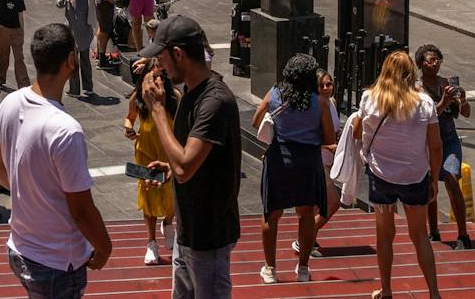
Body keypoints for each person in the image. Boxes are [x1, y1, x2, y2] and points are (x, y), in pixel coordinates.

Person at [0, 22, 112, 299]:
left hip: (20, 247)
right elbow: (81, 210)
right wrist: (104, 248)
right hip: (56, 262)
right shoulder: (66, 130)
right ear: (70, 60)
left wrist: (25, 192)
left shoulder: (11, 102)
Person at [138, 15, 241, 299]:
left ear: (179, 54)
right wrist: (170, 168)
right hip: (187, 230)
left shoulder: (214, 102)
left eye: (162, 58)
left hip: (209, 234)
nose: (159, 67)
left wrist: (158, 110)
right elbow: (189, 161)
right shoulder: (190, 94)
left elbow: (185, 167)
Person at [352, 48, 443, 299]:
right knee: (419, 235)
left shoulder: (369, 98)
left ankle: (387, 289)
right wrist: (434, 178)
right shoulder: (424, 102)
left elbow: (357, 132)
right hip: (414, 176)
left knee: (384, 235)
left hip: (381, 177)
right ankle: (434, 293)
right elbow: (435, 145)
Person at [251, 54, 335, 283]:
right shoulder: (320, 102)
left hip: (280, 157)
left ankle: (270, 268)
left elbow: (256, 121)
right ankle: (303, 268)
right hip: (308, 161)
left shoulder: (275, 93)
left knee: (272, 212)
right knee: (307, 213)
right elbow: (328, 137)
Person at [417, 44, 473, 249]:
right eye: (430, 60)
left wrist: (463, 100)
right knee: (430, 184)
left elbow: (465, 113)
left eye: (437, 59)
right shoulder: (417, 89)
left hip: (448, 139)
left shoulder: (446, 84)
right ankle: (433, 230)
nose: (434, 63)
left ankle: (463, 234)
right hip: (427, 142)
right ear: (421, 64)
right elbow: (427, 117)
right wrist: (443, 101)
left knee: (451, 178)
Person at [124, 56, 176, 266]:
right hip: (146, 152)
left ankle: (169, 224)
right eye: (152, 77)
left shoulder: (175, 97)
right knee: (148, 196)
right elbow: (129, 117)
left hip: (169, 153)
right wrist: (128, 128)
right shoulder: (138, 97)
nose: (156, 81)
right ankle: (151, 242)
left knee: (171, 194)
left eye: (160, 76)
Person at [57, 0, 96, 98]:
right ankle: (88, 88)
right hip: (85, 33)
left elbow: (58, 4)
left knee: (73, 62)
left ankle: (74, 89)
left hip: (72, 33)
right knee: (86, 61)